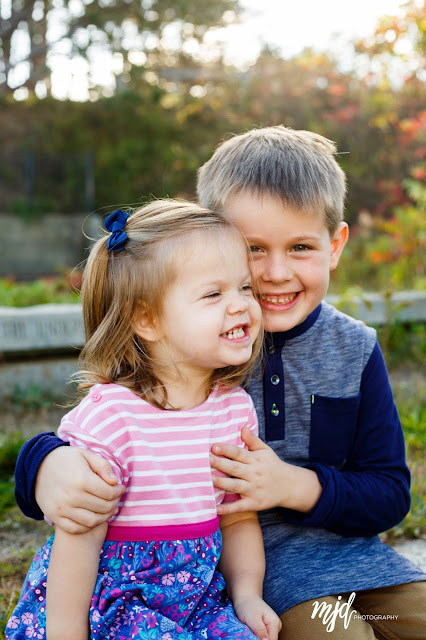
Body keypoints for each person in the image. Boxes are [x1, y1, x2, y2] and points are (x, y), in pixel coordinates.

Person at [13, 127, 426, 639]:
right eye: (253, 249)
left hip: (362, 564)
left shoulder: (354, 347)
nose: (276, 273)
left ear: (335, 245)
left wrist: (292, 485)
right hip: (262, 573)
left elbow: (389, 494)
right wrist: (44, 465)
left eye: (300, 246)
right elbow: (105, 427)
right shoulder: (196, 348)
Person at [7, 200, 283, 640]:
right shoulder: (115, 418)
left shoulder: (233, 409)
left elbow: (236, 518)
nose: (240, 305)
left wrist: (247, 595)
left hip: (196, 599)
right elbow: (78, 536)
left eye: (245, 288)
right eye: (214, 294)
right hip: (117, 603)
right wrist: (65, 631)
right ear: (147, 319)